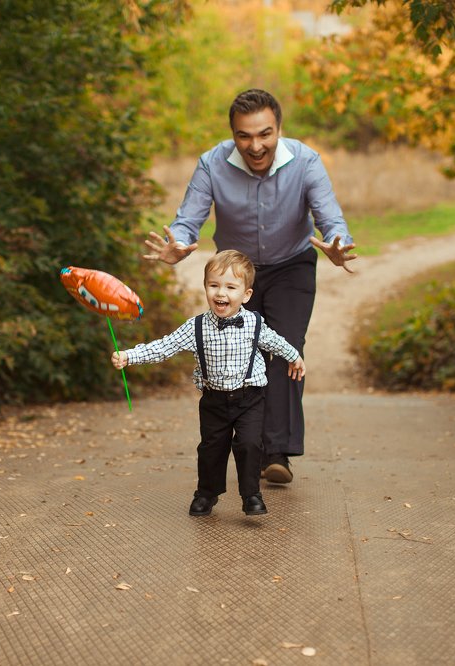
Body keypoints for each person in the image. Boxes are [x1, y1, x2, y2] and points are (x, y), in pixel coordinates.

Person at [142, 88, 356, 485]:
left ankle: (277, 452)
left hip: (292, 267)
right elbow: (188, 219)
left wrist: (337, 244)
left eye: (264, 134)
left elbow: (330, 218)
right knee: (241, 351)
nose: (255, 145)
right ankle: (250, 448)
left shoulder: (306, 161)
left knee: (285, 347)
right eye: (244, 136)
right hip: (237, 272)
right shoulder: (212, 164)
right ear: (233, 135)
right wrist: (179, 243)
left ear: (279, 128)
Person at [111, 250, 306, 517]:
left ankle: (251, 495)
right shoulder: (196, 327)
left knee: (249, 444)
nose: (220, 293)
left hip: (250, 398)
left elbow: (276, 342)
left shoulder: (254, 323)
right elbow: (165, 347)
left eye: (230, 287)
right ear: (205, 287)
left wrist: (294, 357)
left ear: (246, 295)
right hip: (214, 400)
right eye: (213, 285)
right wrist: (129, 356)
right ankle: (206, 493)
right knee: (211, 448)